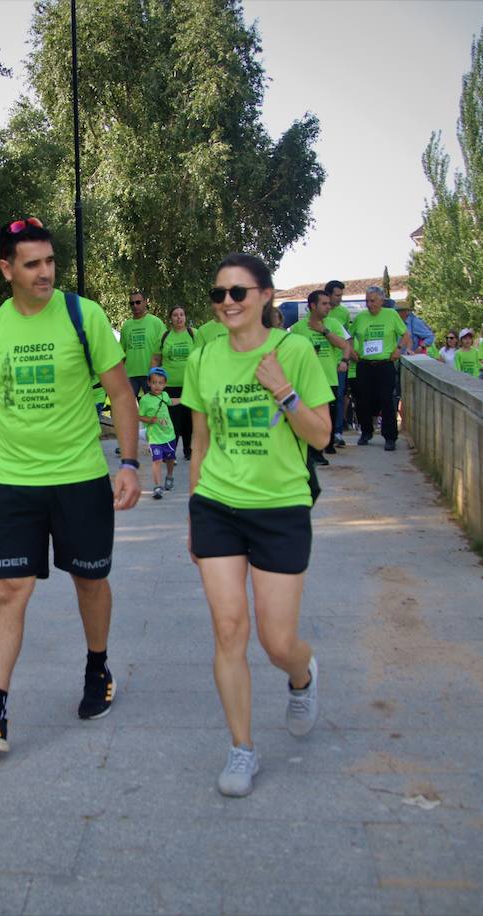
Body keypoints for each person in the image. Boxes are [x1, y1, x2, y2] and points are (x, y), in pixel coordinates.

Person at [0, 217, 141, 755]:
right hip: (15, 482)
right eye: (32, 264)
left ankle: (98, 667)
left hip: (80, 478)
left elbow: (122, 396)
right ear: (6, 269)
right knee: (8, 592)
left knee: (89, 582)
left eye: (50, 262)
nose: (45, 273)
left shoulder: (84, 316)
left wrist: (128, 463)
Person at [182, 253, 331, 798]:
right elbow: (199, 443)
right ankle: (242, 748)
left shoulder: (293, 351)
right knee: (228, 631)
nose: (227, 303)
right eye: (219, 293)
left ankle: (302, 674)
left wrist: (284, 391)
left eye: (239, 293)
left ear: (267, 296)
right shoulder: (202, 359)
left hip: (281, 507)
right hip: (218, 504)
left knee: (275, 640)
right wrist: (194, 513)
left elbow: (320, 436)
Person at [292, 289, 353, 463]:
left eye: (329, 303)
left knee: (330, 416)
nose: (329, 307)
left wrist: (324, 331)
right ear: (312, 306)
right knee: (310, 417)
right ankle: (315, 453)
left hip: (329, 378)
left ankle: (328, 443)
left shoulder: (333, 323)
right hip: (307, 380)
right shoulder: (298, 328)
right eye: (324, 304)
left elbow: (343, 345)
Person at [350, 285, 410, 451]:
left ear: (382, 301)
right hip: (364, 364)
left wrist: (398, 349)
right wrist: (352, 350)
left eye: (373, 301)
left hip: (384, 364)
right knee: (363, 401)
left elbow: (405, 334)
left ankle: (389, 437)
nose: (370, 304)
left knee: (386, 400)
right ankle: (366, 432)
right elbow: (349, 335)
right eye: (367, 301)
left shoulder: (391, 315)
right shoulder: (361, 317)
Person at [154, 305, 196, 461]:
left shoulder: (194, 334)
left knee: (188, 420)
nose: (179, 317)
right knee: (171, 421)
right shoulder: (165, 336)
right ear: (170, 318)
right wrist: (153, 378)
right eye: (175, 315)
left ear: (185, 317)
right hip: (169, 385)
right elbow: (156, 359)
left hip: (190, 385)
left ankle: (188, 450)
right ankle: (169, 452)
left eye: (182, 314)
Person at [138, 366, 176, 498]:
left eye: (160, 383)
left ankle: (170, 476)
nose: (157, 386)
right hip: (154, 437)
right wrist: (149, 419)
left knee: (170, 459)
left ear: (165, 384)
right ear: (148, 383)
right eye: (154, 382)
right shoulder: (144, 400)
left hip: (169, 435)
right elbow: (138, 416)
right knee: (157, 461)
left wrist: (185, 399)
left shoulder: (165, 395)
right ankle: (157, 486)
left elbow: (171, 402)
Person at [120, 291, 166, 396]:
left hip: (151, 375)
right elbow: (121, 352)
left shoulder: (156, 322)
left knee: (151, 408)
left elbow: (164, 348)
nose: (135, 305)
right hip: (130, 375)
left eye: (138, 302)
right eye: (132, 303)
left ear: (145, 302)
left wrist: (159, 371)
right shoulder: (126, 326)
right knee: (127, 409)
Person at [325, 280, 350, 447]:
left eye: (341, 295)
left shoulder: (343, 313)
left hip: (338, 364)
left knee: (339, 397)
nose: (340, 299)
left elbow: (347, 338)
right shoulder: (315, 311)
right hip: (320, 364)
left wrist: (346, 359)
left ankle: (338, 432)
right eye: (337, 295)